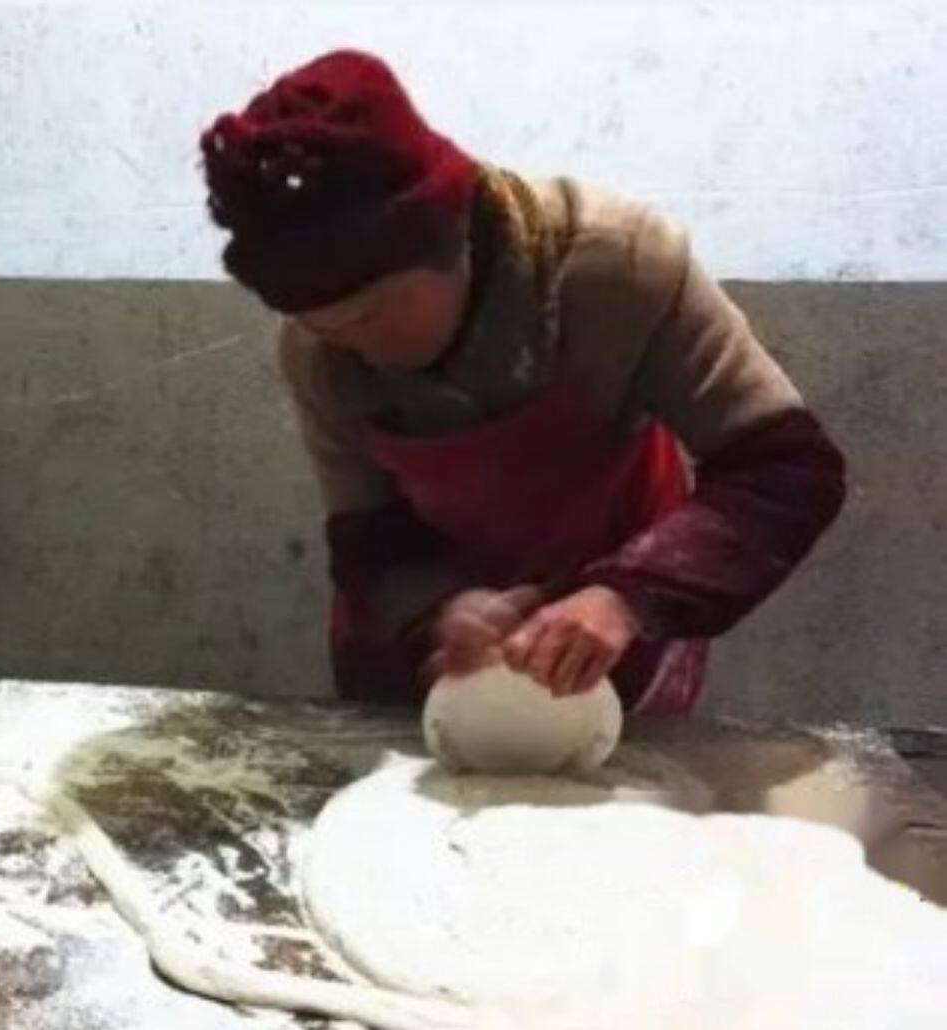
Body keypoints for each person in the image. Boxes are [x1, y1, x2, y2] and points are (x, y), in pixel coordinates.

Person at [199, 50, 846, 713]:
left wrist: (627, 595)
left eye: (373, 312)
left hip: (613, 621)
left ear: (452, 241)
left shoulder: (620, 269)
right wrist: (439, 609)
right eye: (325, 326)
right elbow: (369, 538)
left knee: (611, 775)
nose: (356, 344)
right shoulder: (317, 356)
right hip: (442, 655)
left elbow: (786, 470)